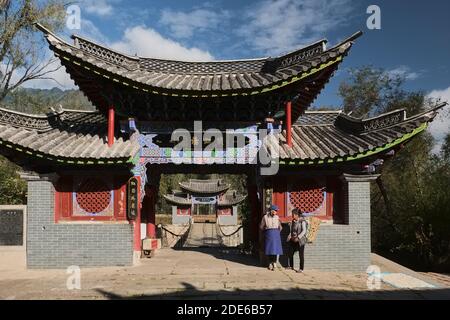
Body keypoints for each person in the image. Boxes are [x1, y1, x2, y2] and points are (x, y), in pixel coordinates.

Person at [259, 204, 283, 271]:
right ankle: (270, 263)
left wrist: (277, 231)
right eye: (275, 211)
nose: (276, 212)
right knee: (269, 250)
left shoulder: (277, 217)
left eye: (276, 211)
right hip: (268, 234)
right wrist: (265, 231)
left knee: (275, 250)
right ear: (272, 211)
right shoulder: (265, 217)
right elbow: (261, 226)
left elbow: (280, 227)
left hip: (276, 234)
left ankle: (274, 263)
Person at [286, 208, 307, 273]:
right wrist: (289, 236)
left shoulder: (302, 221)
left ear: (296, 215)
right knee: (290, 252)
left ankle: (301, 268)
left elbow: (304, 231)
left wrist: (298, 237)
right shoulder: (293, 221)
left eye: (293, 214)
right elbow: (291, 231)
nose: (292, 215)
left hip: (300, 240)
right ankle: (291, 266)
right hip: (293, 239)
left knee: (301, 254)